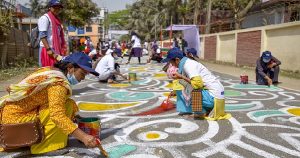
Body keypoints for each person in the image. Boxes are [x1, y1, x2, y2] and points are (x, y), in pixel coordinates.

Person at [0, 52, 100, 155]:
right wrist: (84, 137)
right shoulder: (58, 84)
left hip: (9, 117)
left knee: (67, 103)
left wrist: (75, 120)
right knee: (63, 109)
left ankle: (52, 138)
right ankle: (46, 147)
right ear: (70, 68)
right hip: (14, 122)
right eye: (82, 74)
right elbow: (57, 116)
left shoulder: (50, 71)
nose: (83, 78)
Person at [162, 48, 229, 119]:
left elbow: (197, 84)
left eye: (171, 62)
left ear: (177, 60)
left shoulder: (188, 65)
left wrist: (181, 77)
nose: (172, 65)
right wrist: (180, 79)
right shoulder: (187, 63)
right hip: (216, 97)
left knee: (190, 90)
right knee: (184, 88)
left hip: (214, 97)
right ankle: (205, 109)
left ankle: (200, 113)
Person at [38, 0, 66, 67]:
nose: (57, 9)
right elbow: (42, 35)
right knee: (47, 71)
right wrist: (48, 49)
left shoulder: (57, 20)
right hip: (47, 50)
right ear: (50, 7)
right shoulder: (45, 18)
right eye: (55, 7)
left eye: (59, 8)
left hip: (55, 50)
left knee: (56, 72)